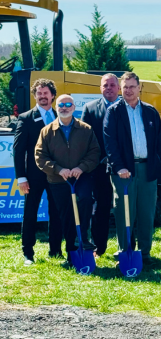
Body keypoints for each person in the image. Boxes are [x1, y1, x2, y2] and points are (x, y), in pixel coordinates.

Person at [103, 72, 161, 265]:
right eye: (125, 87)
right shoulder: (113, 112)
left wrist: (158, 166)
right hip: (124, 172)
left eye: (132, 86)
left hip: (147, 169)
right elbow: (110, 143)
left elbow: (158, 143)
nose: (128, 90)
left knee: (147, 212)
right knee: (124, 212)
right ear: (121, 89)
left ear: (139, 88)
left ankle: (145, 253)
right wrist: (119, 167)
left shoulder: (150, 111)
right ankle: (125, 250)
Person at [34, 94, 100, 265]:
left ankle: (83, 238)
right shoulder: (47, 131)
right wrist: (58, 169)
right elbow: (40, 156)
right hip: (58, 180)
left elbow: (94, 152)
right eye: (61, 104)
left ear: (73, 107)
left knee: (85, 200)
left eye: (68, 104)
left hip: (81, 177)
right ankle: (72, 253)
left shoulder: (85, 129)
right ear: (57, 107)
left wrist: (82, 168)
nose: (64, 107)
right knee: (67, 216)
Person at [13, 78, 63, 266]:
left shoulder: (61, 116)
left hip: (57, 175)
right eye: (39, 94)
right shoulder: (26, 118)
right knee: (30, 212)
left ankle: (56, 251)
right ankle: (28, 253)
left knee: (57, 212)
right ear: (34, 96)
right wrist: (21, 177)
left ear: (52, 95)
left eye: (46, 93)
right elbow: (18, 150)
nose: (42, 97)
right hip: (33, 176)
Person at [81, 73, 121, 257]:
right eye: (106, 85)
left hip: (123, 167)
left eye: (113, 85)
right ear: (100, 88)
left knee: (125, 207)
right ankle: (99, 246)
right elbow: (85, 139)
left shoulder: (127, 108)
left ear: (118, 88)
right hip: (99, 167)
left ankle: (127, 247)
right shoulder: (90, 109)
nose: (109, 88)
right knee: (101, 207)